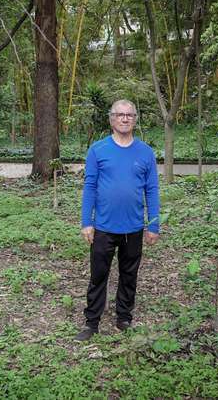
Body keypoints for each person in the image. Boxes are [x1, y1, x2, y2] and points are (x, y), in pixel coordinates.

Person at [75, 99, 160, 341]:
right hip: (103, 226)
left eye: (129, 115)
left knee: (129, 274)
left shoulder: (145, 152)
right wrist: (86, 222)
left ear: (135, 119)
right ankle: (92, 322)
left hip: (133, 227)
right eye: (120, 115)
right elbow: (90, 186)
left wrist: (153, 224)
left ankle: (124, 317)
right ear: (112, 119)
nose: (124, 119)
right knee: (98, 275)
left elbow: (152, 189)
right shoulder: (98, 150)